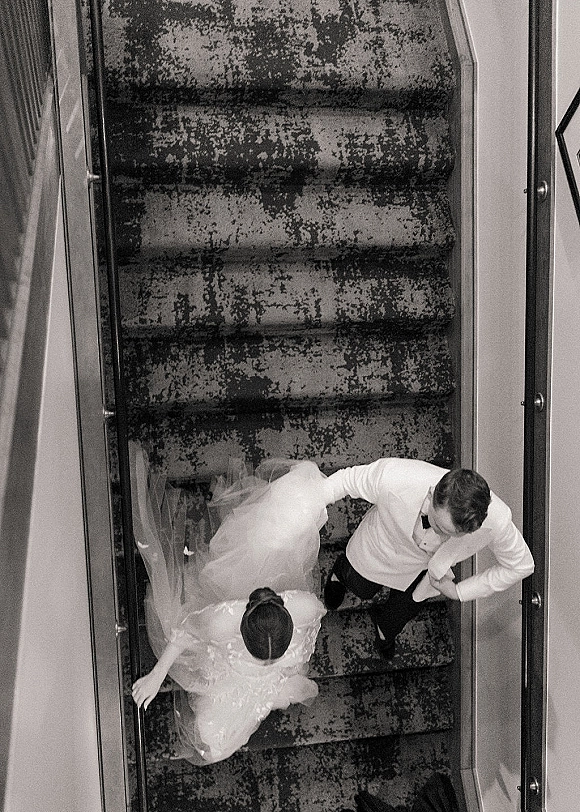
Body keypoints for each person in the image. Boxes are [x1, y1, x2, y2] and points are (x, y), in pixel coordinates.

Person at [129, 445, 328, 765]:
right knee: (214, 734)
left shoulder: (306, 607)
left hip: (256, 669)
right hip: (233, 664)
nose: (267, 664)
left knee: (221, 729)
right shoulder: (222, 622)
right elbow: (185, 632)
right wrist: (157, 673)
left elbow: (315, 616)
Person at [322, 458, 534, 657]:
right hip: (381, 551)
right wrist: (307, 513)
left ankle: (384, 630)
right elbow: (345, 480)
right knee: (362, 588)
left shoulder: (498, 520)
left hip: (426, 573)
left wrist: (459, 591)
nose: (443, 538)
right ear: (432, 494)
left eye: (454, 535)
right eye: (440, 527)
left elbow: (521, 566)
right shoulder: (395, 476)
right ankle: (339, 574)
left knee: (400, 613)